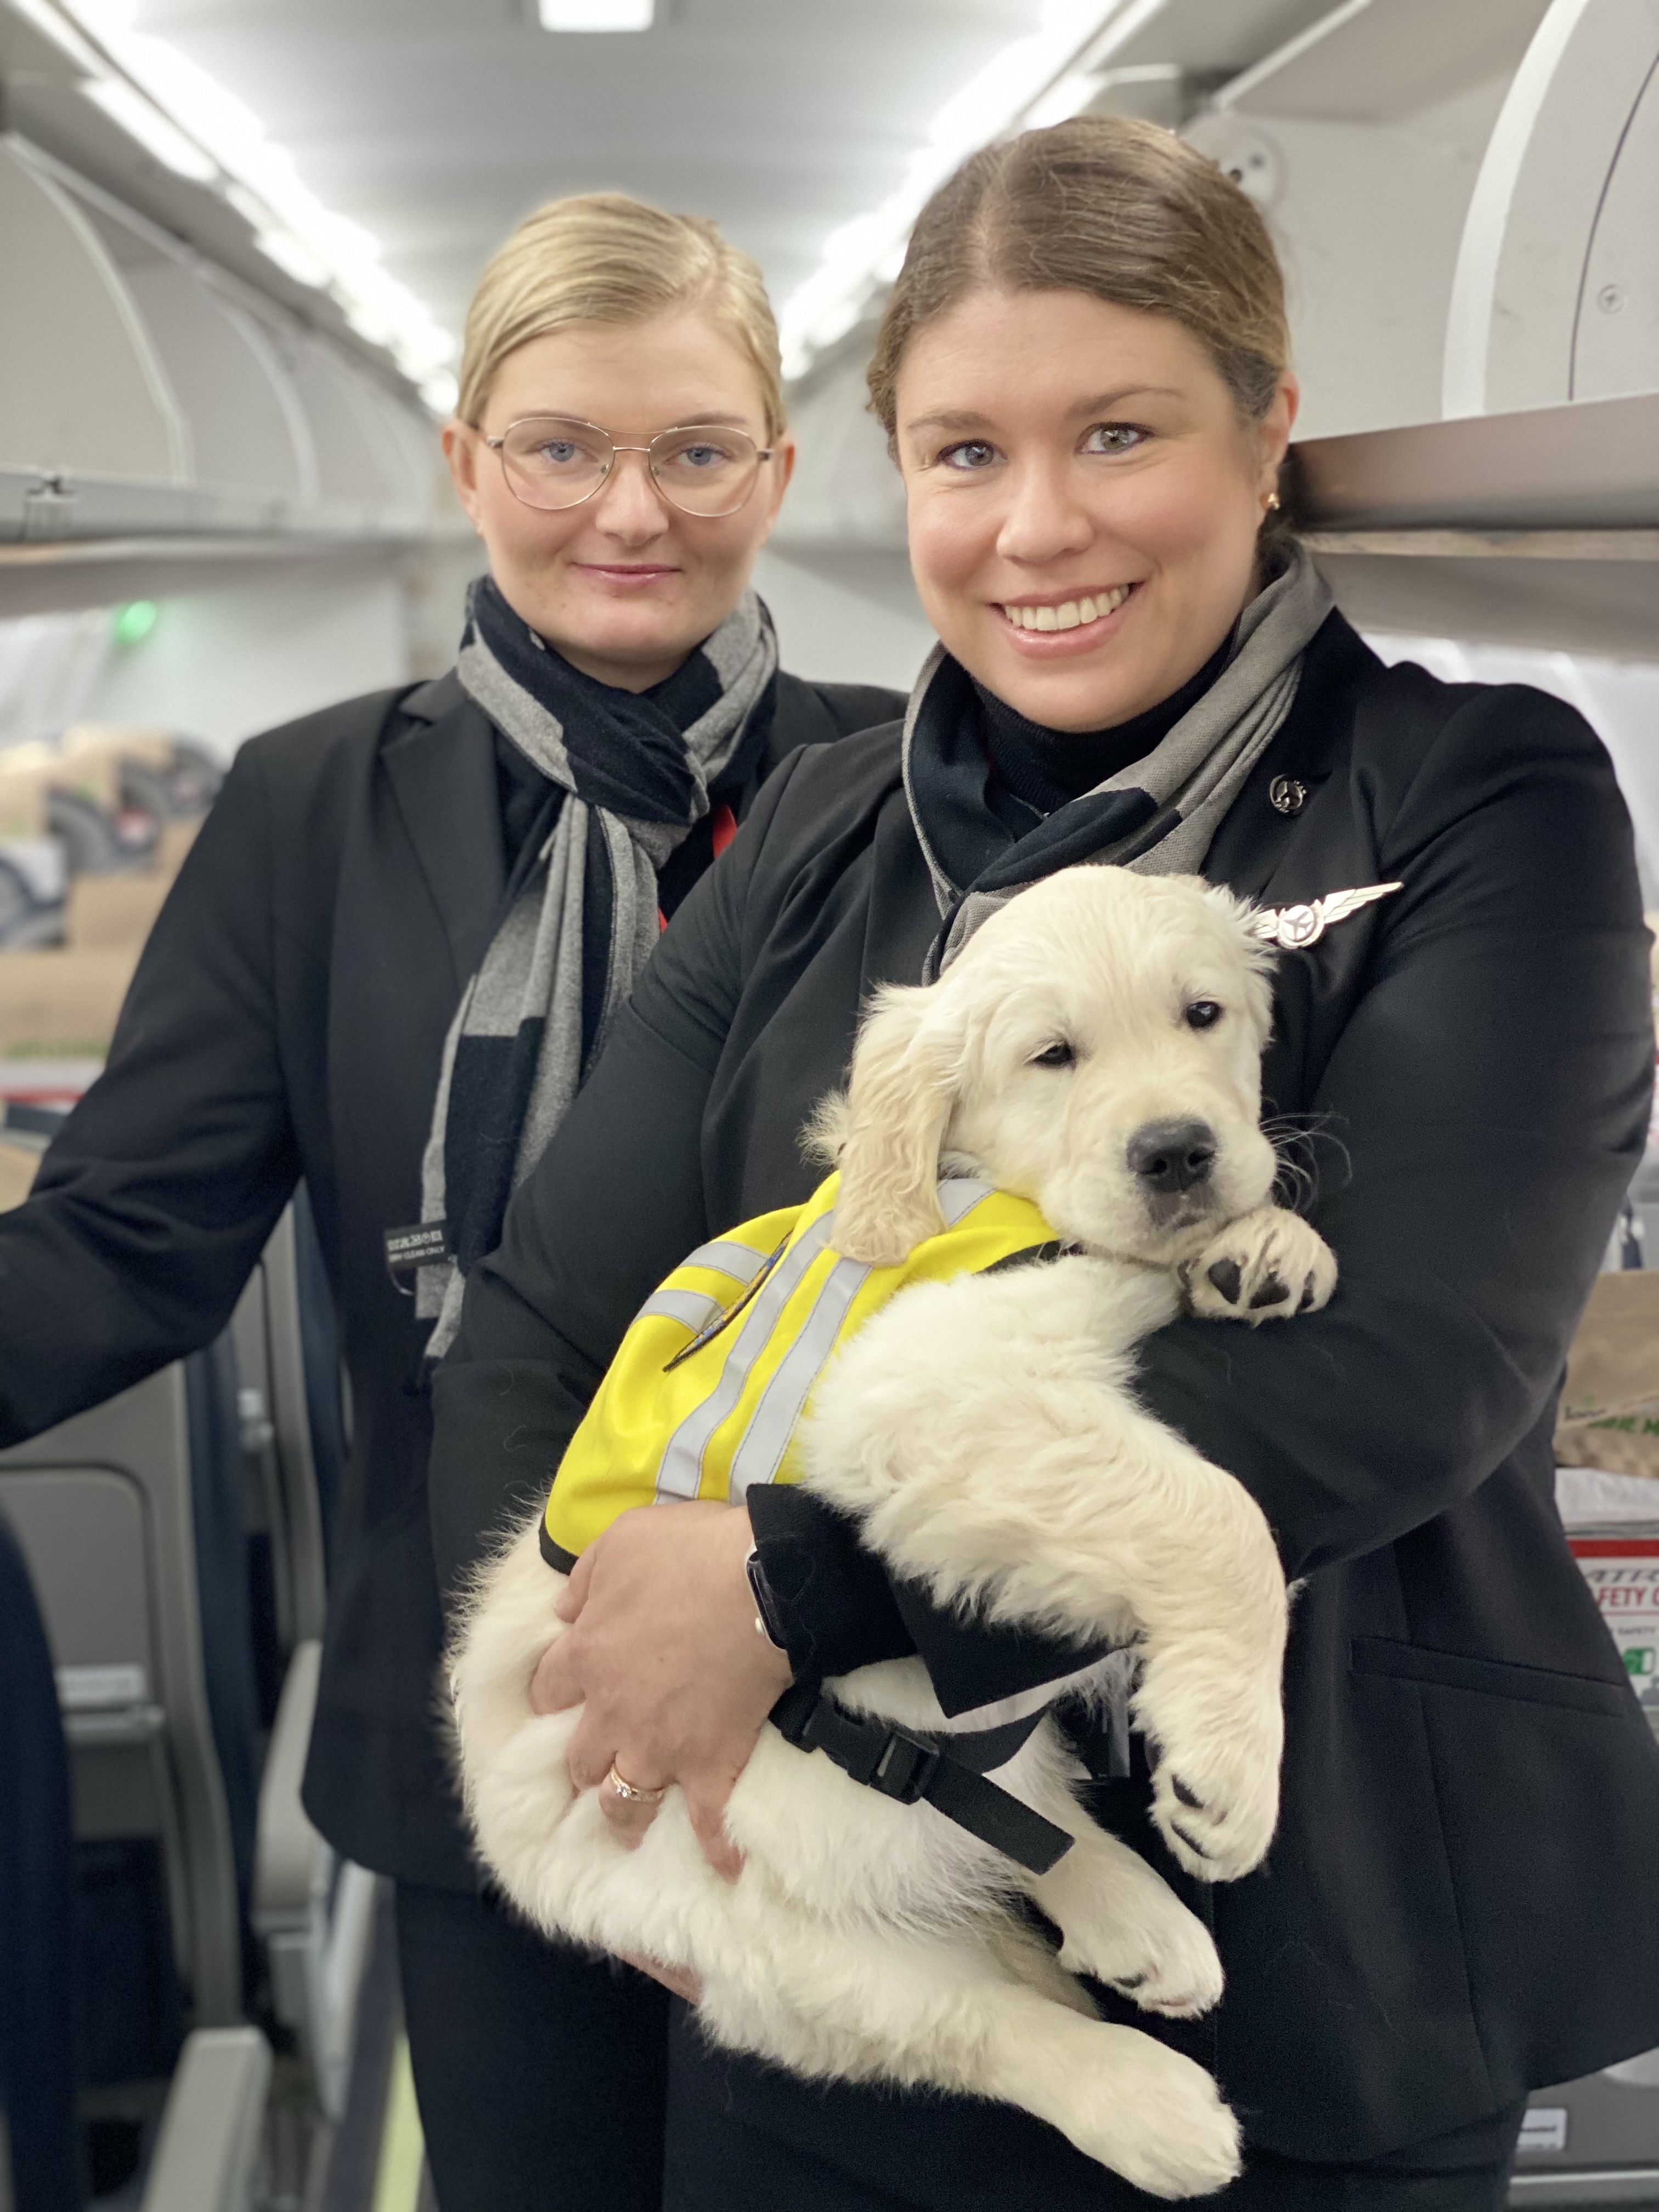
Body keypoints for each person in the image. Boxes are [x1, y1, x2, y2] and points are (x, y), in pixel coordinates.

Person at [429, 119, 1659, 2211]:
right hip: (835, 1960)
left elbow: (1408, 1369)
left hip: (1334, 1965)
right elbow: (553, 1306)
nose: (1036, 526)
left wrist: (786, 1594)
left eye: (1119, 433)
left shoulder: (1483, 799)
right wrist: (584, 1727)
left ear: (1268, 431)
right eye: (965, 452)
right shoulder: (821, 830)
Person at [0, 192, 904, 2211]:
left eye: (693, 451)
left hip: (853, 1700)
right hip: (489, 1708)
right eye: (561, 447)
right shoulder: (313, 804)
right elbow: (135, 1238)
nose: (629, 512)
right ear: (467, 463)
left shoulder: (906, 790)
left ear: (776, 470)